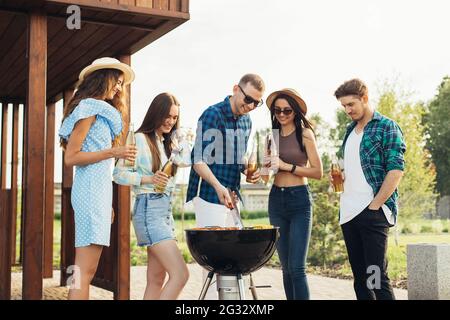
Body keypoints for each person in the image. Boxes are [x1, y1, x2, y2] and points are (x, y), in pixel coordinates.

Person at [59, 57, 137, 300]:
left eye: (122, 84)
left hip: (97, 194)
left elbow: (101, 167)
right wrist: (115, 152)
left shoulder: (101, 110)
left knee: (87, 271)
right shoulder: (89, 108)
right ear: (103, 78)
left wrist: (108, 203)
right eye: (117, 82)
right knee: (83, 272)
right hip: (89, 193)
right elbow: (71, 157)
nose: (119, 88)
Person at [185, 74, 265, 298]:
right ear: (235, 89)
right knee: (215, 261)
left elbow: (236, 159)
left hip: (230, 196)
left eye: (256, 103)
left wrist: (249, 171)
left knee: (234, 258)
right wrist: (219, 187)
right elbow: (198, 160)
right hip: (209, 193)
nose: (250, 106)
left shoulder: (247, 121)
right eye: (248, 99)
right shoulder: (213, 114)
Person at [332, 78, 406, 300]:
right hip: (349, 212)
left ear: (364, 99)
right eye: (343, 106)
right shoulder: (349, 130)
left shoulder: (387, 127)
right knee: (361, 280)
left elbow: (396, 171)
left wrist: (375, 206)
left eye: (351, 104)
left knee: (375, 277)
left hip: (373, 212)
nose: (347, 110)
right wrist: (339, 175)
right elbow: (350, 166)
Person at [113, 93, 191, 300]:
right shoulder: (139, 139)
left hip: (165, 213)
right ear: (156, 112)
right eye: (166, 115)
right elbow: (118, 174)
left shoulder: (168, 144)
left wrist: (181, 138)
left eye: (174, 118)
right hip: (148, 209)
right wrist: (149, 180)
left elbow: (186, 160)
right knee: (181, 274)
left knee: (156, 279)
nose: (170, 121)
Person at [264, 88, 322, 300]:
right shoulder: (271, 137)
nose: (281, 114)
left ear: (295, 112)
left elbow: (318, 171)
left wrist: (287, 166)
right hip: (276, 200)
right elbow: (265, 174)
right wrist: (257, 172)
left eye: (286, 110)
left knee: (297, 268)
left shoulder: (305, 134)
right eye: (277, 111)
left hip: (299, 200)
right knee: (286, 268)